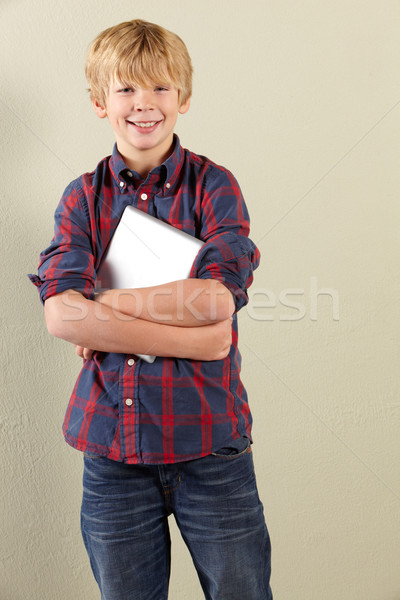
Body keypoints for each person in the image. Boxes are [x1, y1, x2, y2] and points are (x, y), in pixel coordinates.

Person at [29, 19, 273, 600]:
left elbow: (216, 300)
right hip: (114, 452)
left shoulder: (214, 187)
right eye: (126, 90)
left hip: (212, 448)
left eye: (161, 88)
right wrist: (192, 336)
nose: (145, 104)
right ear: (99, 103)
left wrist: (101, 308)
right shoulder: (82, 197)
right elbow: (62, 316)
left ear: (183, 98)